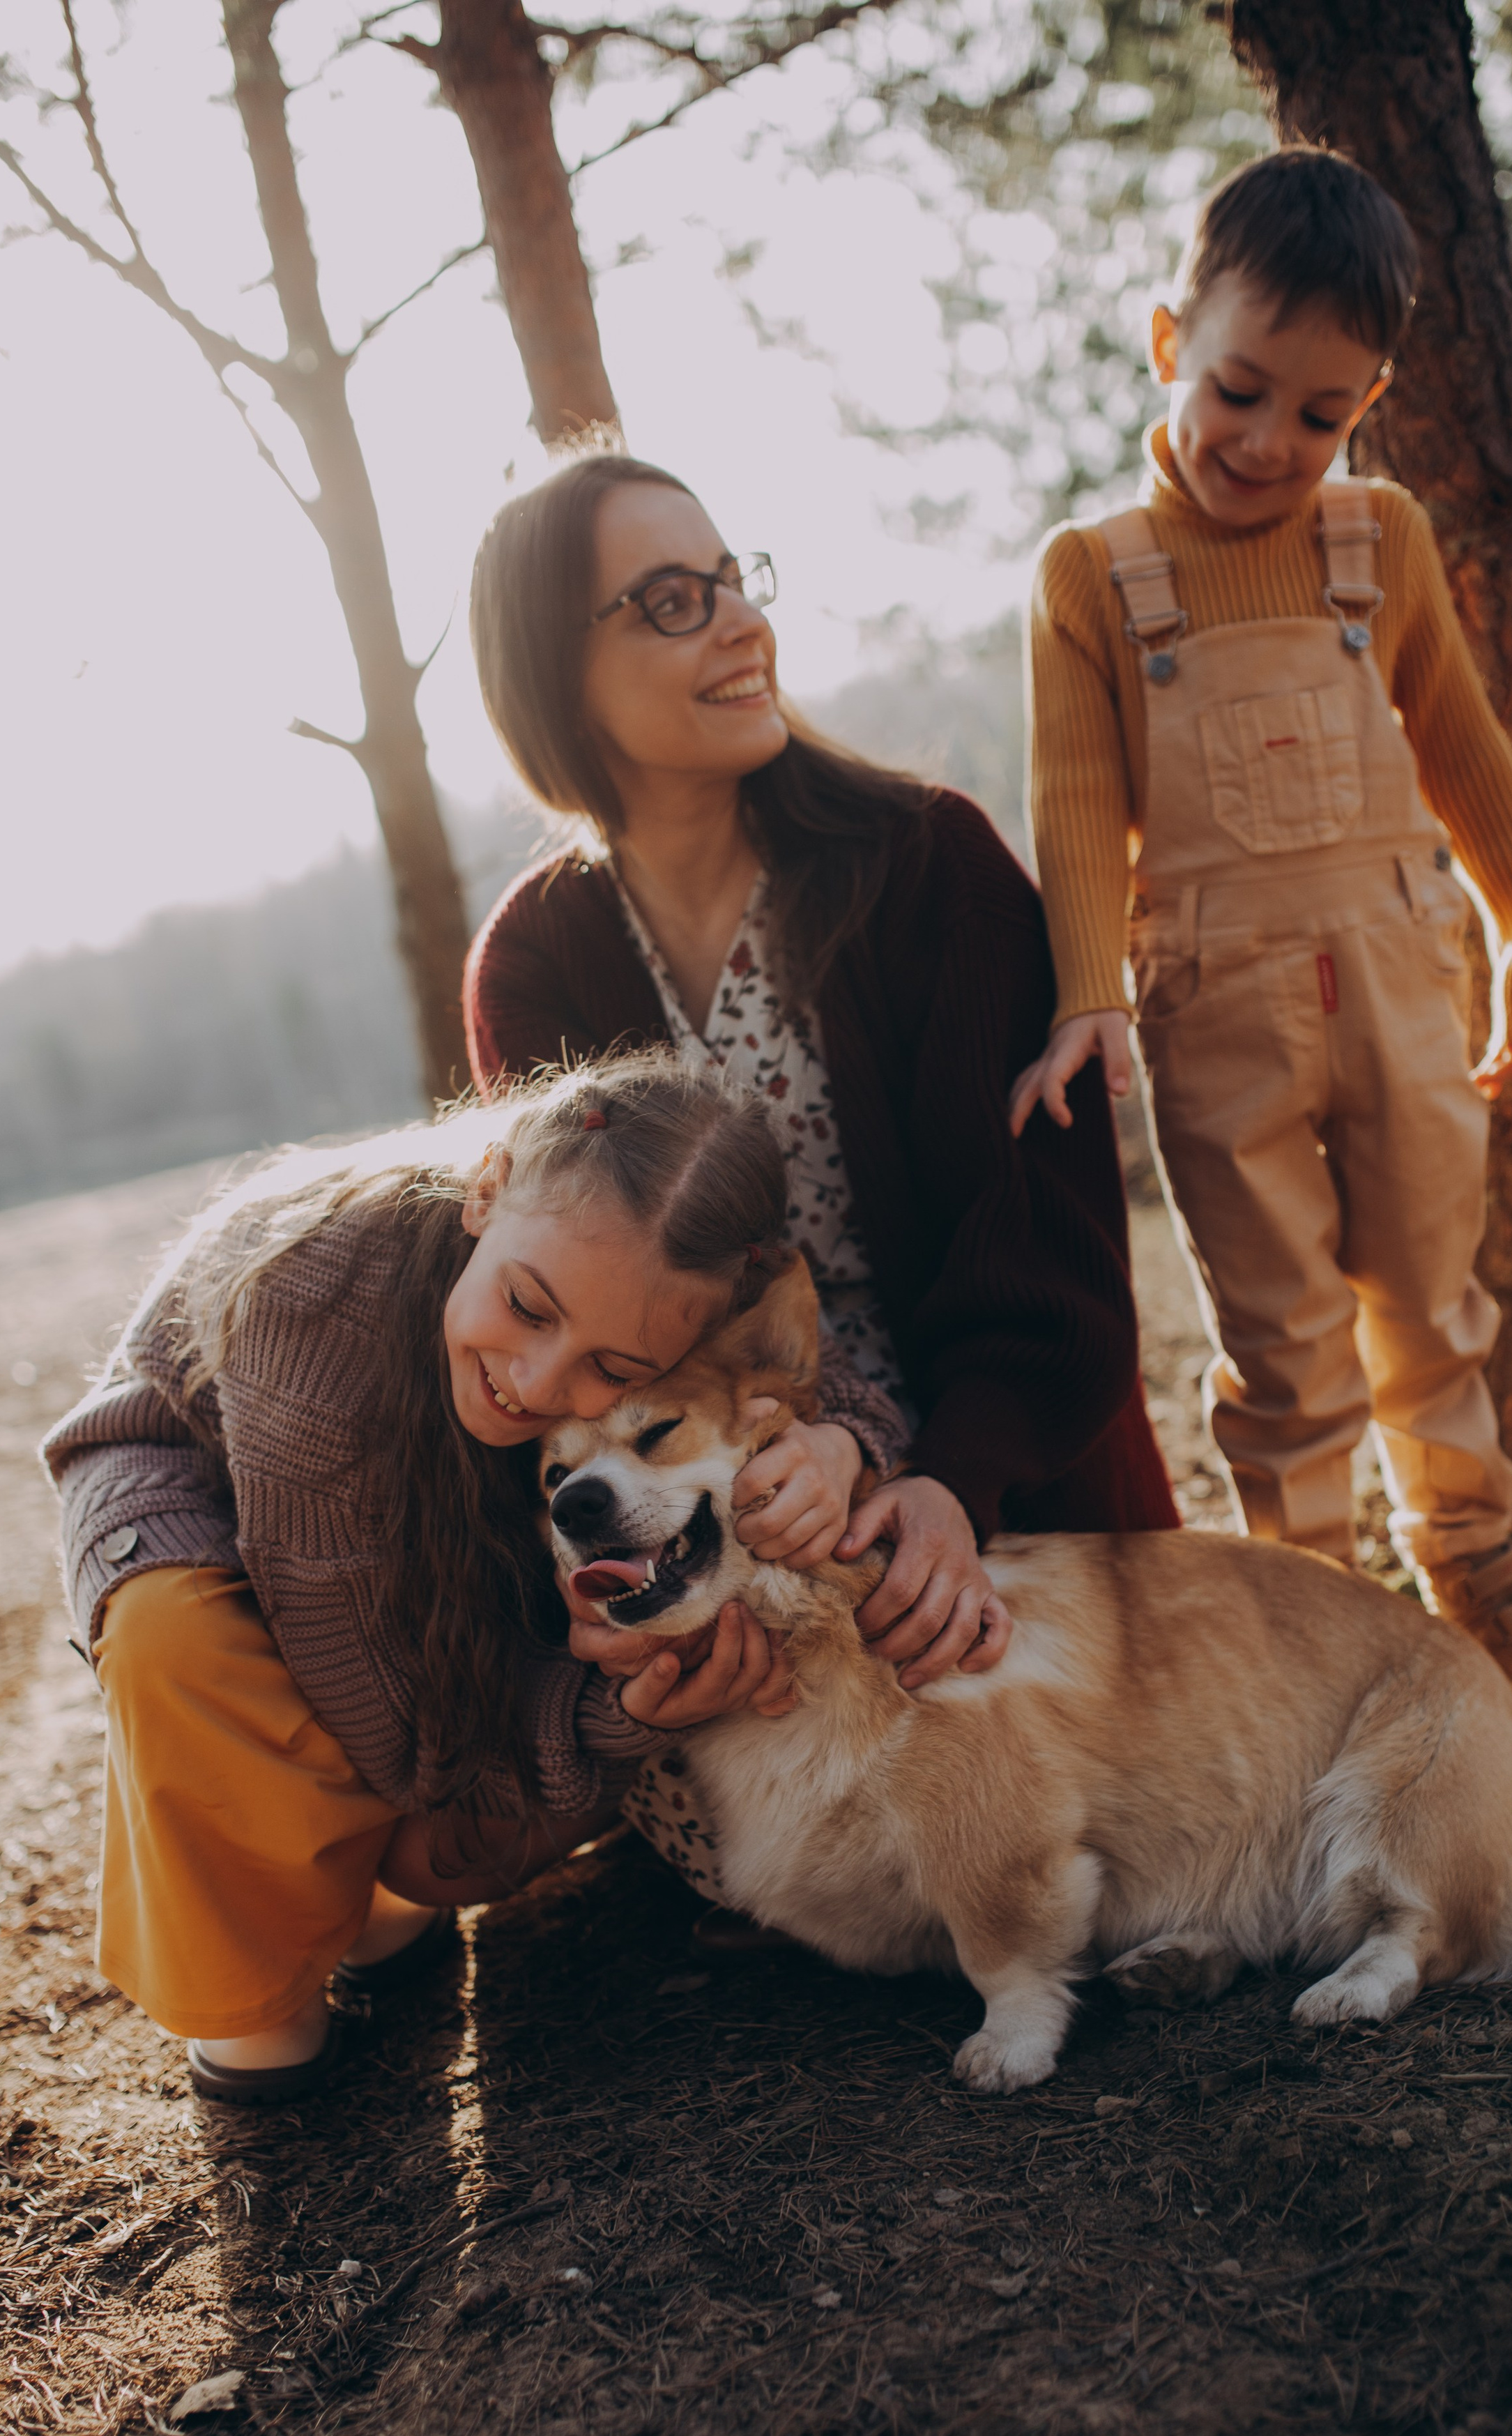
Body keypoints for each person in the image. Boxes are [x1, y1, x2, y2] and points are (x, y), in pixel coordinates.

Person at [1014, 146, 1512, 1744]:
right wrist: (1086, 992)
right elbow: (1073, 807)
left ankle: (1480, 1595)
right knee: (1281, 1346)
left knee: (1430, 1307)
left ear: (1368, 402)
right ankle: (1313, 1656)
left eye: (1319, 414)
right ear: (1169, 342)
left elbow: (1463, 750)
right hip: (1214, 1012)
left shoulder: (1378, 541)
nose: (1268, 442)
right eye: (1239, 391)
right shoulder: (1093, 577)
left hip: (1397, 981)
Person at [461, 448, 1179, 1723]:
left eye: (734, 579)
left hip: (1005, 1495)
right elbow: (580, 1338)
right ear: (554, 675)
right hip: (722, 1523)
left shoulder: (936, 870)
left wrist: (944, 1481)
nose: (744, 622)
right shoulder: (535, 962)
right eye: (672, 601)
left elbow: (1054, 1266)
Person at [40, 1056, 908, 2104]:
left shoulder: (639, 1271)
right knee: (187, 1644)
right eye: (527, 1306)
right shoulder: (315, 1300)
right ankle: (258, 2003)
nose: (537, 1382)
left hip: (458, 1519)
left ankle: (381, 1909)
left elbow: (800, 1379)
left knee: (441, 1853)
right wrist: (613, 1712)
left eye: (614, 1370)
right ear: (487, 1189)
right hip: (219, 1503)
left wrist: (842, 1445)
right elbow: (394, 1729)